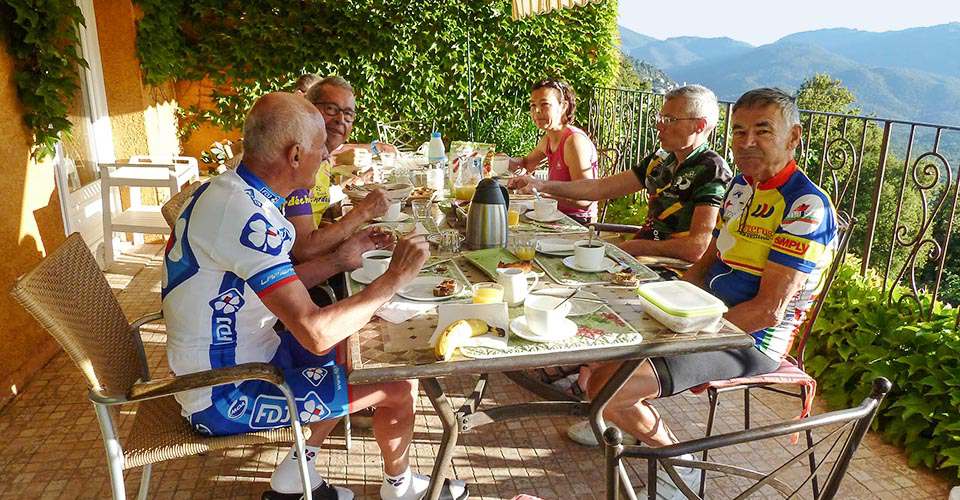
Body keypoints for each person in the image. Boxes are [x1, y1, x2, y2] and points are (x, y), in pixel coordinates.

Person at [162, 92, 467, 500]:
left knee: (355, 342)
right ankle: (401, 489)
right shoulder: (246, 216)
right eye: (320, 147)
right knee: (397, 385)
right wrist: (393, 279)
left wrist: (340, 260)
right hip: (224, 392)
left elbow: (263, 286)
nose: (327, 156)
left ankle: (293, 477)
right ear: (294, 155)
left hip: (243, 355)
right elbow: (314, 332)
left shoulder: (235, 193)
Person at [571, 88, 838, 499]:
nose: (747, 143)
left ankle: (681, 470)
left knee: (609, 388)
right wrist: (665, 304)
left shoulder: (805, 206)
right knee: (599, 331)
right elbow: (707, 261)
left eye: (762, 131)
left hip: (749, 339)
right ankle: (620, 426)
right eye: (739, 132)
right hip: (704, 316)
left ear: (793, 137)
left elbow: (769, 310)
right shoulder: (742, 189)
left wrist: (680, 333)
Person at [509, 84, 732, 263]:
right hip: (637, 257)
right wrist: (542, 185)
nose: (659, 126)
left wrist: (633, 247)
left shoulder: (711, 170)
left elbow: (696, 248)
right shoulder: (662, 159)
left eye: (669, 120)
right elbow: (599, 188)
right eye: (659, 118)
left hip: (670, 270)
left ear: (700, 125)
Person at [500, 79, 598, 224]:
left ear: (563, 106)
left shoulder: (573, 141)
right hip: (552, 213)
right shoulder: (549, 138)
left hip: (577, 222)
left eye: (544, 104)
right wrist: (502, 160)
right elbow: (526, 164)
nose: (537, 111)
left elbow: (584, 199)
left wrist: (542, 192)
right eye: (533, 105)